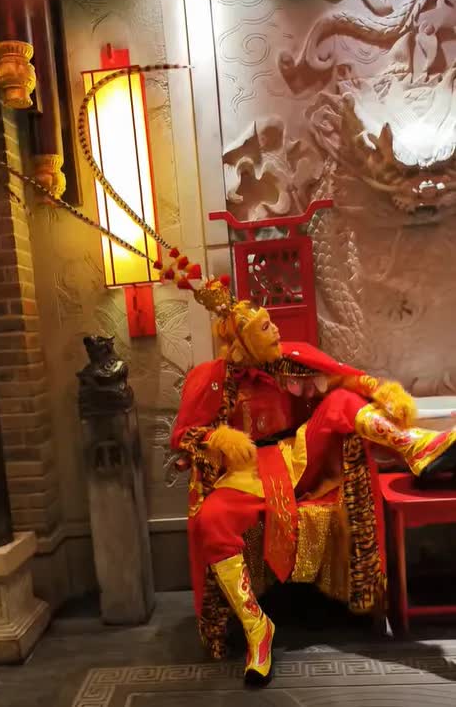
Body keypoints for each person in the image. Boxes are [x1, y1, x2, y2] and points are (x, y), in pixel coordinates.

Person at [171, 277, 456, 686]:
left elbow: (348, 380)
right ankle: (257, 628)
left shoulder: (290, 358)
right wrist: (220, 440)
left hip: (297, 454)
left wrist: (382, 396)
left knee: (341, 401)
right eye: (264, 327)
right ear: (243, 341)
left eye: (271, 322)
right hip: (247, 471)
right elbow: (186, 435)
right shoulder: (212, 376)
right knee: (211, 519)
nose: (275, 330)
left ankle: (417, 446)